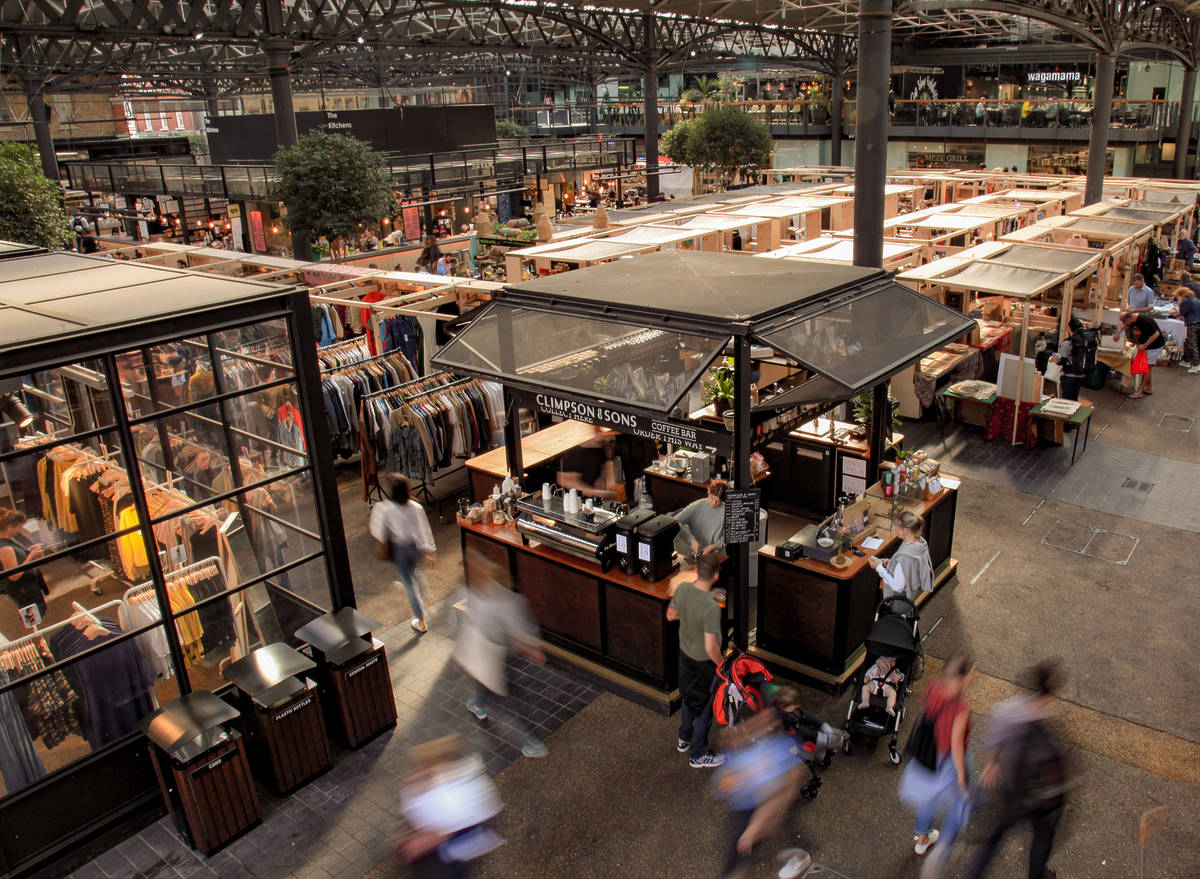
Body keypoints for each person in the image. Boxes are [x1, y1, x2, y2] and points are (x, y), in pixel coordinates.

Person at [965, 662, 1069, 879]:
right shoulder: (1046, 718)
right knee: (1043, 835)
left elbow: (993, 743)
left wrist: (991, 764)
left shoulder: (1007, 711)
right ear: (1049, 695)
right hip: (1040, 798)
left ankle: (974, 875)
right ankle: (1037, 874)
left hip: (1013, 791)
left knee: (995, 838)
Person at [457, 550, 548, 758]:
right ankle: (478, 702)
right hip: (497, 651)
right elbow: (520, 629)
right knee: (489, 683)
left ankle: (535, 740)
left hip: (487, 652)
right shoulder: (505, 599)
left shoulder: (471, 591)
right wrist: (532, 648)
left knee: (508, 697)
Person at [714, 685, 809, 879]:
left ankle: (800, 854)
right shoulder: (767, 727)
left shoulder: (786, 752)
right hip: (753, 794)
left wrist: (754, 829)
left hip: (764, 797)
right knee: (768, 829)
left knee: (750, 838)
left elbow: (777, 798)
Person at [898, 654, 977, 876]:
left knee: (929, 797)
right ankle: (942, 848)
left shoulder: (934, 686)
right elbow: (956, 746)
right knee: (960, 802)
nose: (975, 676)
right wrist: (962, 778)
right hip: (948, 759)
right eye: (972, 672)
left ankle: (923, 837)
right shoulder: (960, 708)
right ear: (962, 677)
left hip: (928, 754)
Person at [397, 734, 505, 878]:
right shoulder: (463, 775)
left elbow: (439, 835)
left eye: (422, 767)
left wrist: (414, 847)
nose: (414, 773)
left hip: (454, 847)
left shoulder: (445, 798)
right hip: (465, 835)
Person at [666, 553, 726, 768]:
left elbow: (671, 615)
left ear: (697, 571)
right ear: (716, 576)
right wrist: (722, 665)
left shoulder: (682, 590)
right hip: (704, 665)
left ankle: (685, 738)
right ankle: (699, 754)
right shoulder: (711, 607)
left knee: (688, 697)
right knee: (705, 709)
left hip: (684, 656)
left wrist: (689, 616)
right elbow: (711, 647)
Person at [369, 476, 436, 633]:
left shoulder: (384, 508)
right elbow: (424, 529)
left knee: (409, 584)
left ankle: (421, 621)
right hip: (414, 547)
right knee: (414, 572)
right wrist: (430, 550)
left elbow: (376, 530)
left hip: (399, 549)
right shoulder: (415, 506)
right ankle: (424, 593)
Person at [868, 511, 934, 603]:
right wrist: (891, 562)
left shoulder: (906, 557)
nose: (895, 530)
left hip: (900, 600)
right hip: (913, 592)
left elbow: (898, 587)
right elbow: (909, 567)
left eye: (897, 528)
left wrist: (879, 567)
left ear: (906, 531)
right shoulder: (920, 543)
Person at [0, 508, 50, 616]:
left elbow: (16, 555)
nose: (20, 530)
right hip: (22, 590)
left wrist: (28, 550)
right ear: (9, 527)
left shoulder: (9, 539)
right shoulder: (5, 549)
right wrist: (31, 556)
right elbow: (14, 575)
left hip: (27, 587)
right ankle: (35, 633)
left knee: (35, 615)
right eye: (19, 527)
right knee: (31, 618)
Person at [558, 425, 619, 499]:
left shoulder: (600, 451)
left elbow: (601, 478)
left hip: (594, 498)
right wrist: (599, 493)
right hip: (576, 500)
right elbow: (566, 481)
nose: (612, 438)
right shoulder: (574, 454)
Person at [673, 478, 728, 561]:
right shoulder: (698, 506)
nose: (713, 503)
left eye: (718, 501)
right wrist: (691, 540)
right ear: (708, 491)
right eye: (712, 498)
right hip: (696, 553)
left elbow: (728, 536)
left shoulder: (727, 510)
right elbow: (674, 522)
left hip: (717, 554)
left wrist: (712, 547)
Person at [1117, 311, 1164, 398]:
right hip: (1147, 345)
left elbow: (1156, 334)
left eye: (1125, 321)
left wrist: (1144, 345)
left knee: (1146, 369)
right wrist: (1118, 333)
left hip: (1154, 346)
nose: (1125, 324)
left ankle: (1140, 391)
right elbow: (1125, 325)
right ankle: (1149, 387)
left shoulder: (1145, 321)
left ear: (1130, 319)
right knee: (1147, 368)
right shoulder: (1132, 319)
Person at [1054, 317, 1095, 401]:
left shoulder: (1067, 343)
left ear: (1069, 328)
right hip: (1081, 374)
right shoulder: (1086, 341)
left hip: (1069, 375)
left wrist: (1056, 360)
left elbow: (1063, 361)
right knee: (1074, 399)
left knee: (1066, 400)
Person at [1178, 281, 1200, 371]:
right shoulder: (1194, 299)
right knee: (1188, 342)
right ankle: (1186, 360)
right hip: (1197, 322)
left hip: (1192, 323)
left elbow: (1182, 312)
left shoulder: (1186, 301)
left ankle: (1196, 363)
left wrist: (1180, 303)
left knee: (1191, 343)